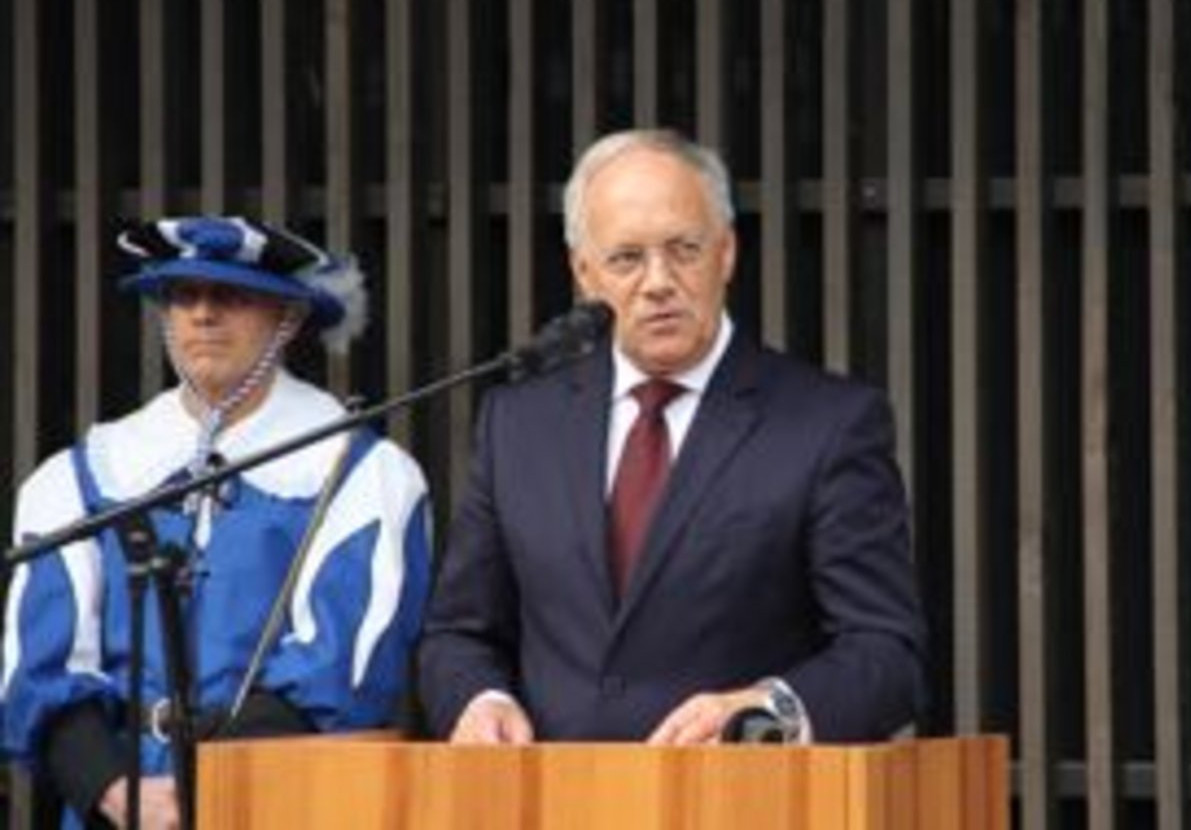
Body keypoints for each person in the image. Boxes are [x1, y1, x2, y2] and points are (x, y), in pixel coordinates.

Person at [418, 129, 926, 746]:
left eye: (684, 249)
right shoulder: (518, 425)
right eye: (626, 258)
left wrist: (765, 713)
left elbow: (887, 654)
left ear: (727, 252)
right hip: (553, 802)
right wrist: (480, 700)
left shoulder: (828, 424)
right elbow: (459, 634)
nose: (658, 281)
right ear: (584, 273)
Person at [2, 217, 433, 827]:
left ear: (288, 317)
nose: (202, 315)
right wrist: (120, 790)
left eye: (229, 296)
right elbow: (41, 668)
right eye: (183, 296)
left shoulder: (363, 475)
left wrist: (203, 788)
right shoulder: (79, 477)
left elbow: (339, 672)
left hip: (284, 805)